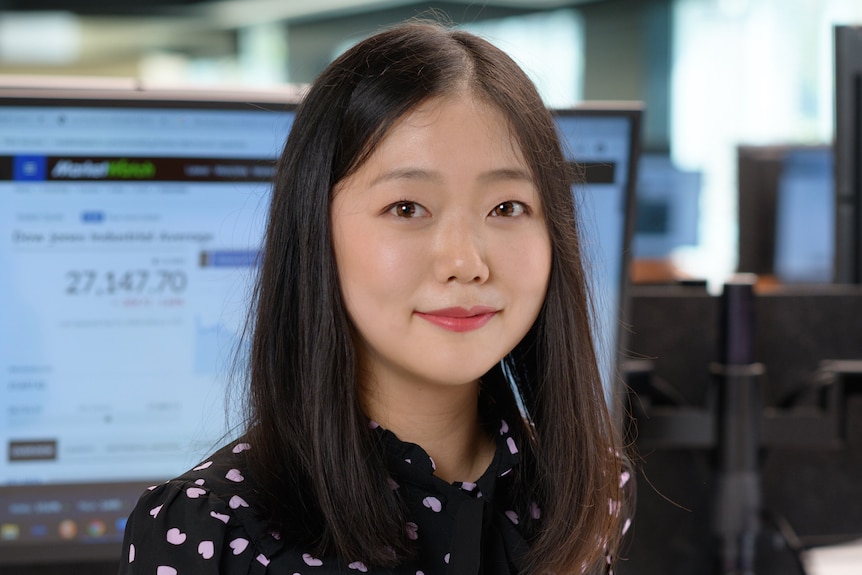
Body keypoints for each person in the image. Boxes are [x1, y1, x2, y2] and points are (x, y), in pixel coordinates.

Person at [119, 21, 632, 575]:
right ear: (315, 230)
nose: (465, 262)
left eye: (507, 208)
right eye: (407, 208)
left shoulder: (582, 491)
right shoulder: (211, 529)